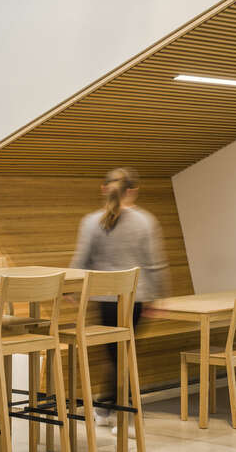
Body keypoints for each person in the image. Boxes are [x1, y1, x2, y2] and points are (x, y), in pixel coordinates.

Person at [70, 167, 169, 434]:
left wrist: (71, 291)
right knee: (123, 355)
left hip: (104, 299)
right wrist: (158, 296)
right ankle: (118, 413)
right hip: (137, 297)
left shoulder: (91, 222)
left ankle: (108, 410)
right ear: (133, 191)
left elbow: (81, 261)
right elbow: (155, 263)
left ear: (104, 189)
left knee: (117, 355)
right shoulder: (146, 221)